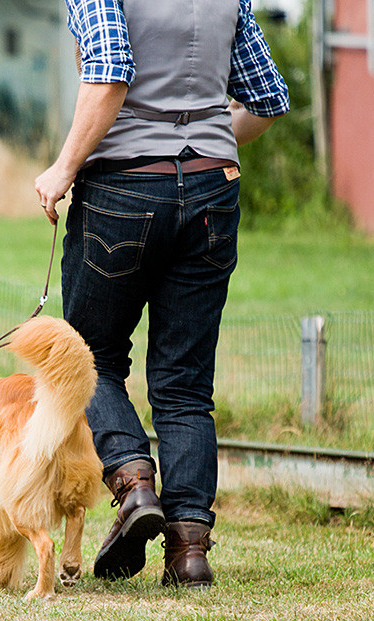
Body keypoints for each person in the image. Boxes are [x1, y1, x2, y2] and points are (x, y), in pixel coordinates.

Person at [35, 0, 290, 588]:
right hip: (213, 190)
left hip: (123, 189)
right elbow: (267, 100)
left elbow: (109, 70)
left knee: (86, 357)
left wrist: (64, 168)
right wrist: (199, 145)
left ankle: (133, 483)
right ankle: (189, 550)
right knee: (186, 383)